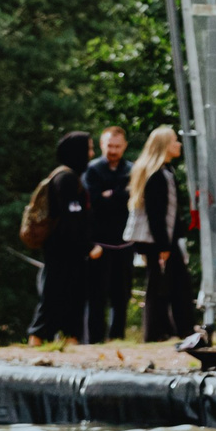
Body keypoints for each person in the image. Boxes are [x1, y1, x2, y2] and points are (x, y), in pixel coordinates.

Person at [124, 124, 198, 342]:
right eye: (174, 140)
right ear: (165, 146)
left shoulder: (165, 171)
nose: (179, 144)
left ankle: (173, 328)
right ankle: (163, 330)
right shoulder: (157, 175)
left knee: (170, 283)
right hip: (158, 241)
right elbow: (157, 214)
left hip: (162, 240)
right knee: (164, 285)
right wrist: (164, 246)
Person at [26, 132, 95, 344]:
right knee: (54, 294)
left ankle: (69, 338)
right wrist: (87, 247)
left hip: (64, 249)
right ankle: (37, 337)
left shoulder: (69, 176)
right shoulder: (66, 179)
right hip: (63, 249)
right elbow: (71, 218)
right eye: (89, 149)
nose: (92, 154)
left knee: (71, 296)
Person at [82, 126, 135, 343]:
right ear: (102, 145)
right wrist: (119, 196)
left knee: (121, 294)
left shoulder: (132, 169)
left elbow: (133, 199)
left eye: (117, 146)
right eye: (109, 146)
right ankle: (93, 339)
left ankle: (117, 336)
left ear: (124, 146)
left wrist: (109, 195)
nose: (113, 150)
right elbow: (93, 202)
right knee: (96, 295)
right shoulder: (92, 170)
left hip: (124, 242)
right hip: (99, 242)